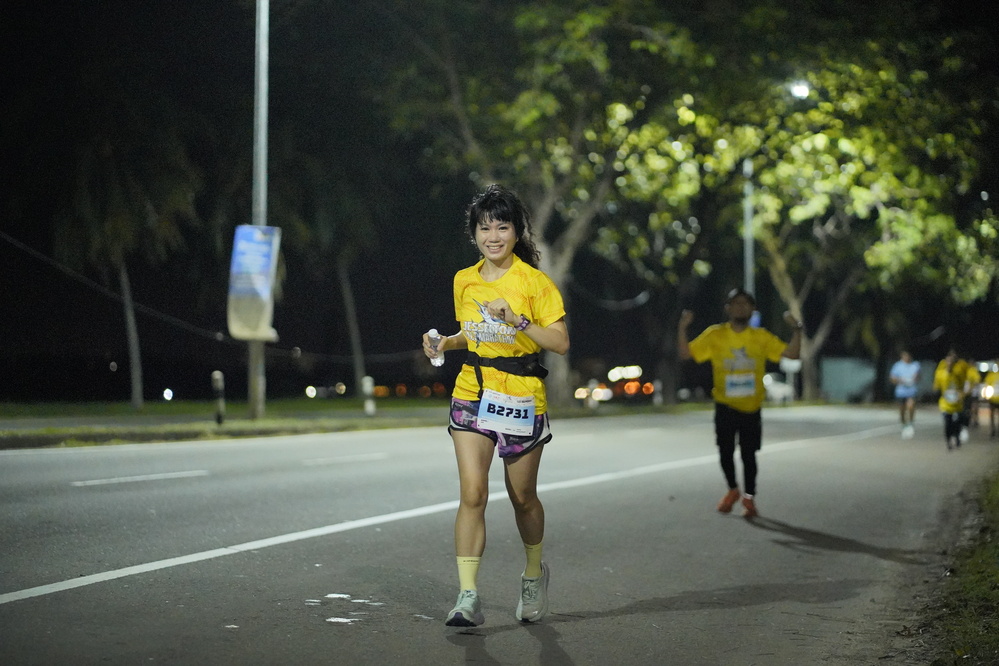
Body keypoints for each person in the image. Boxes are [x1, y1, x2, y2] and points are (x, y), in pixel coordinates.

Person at [422, 184, 569, 627]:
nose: (493, 236)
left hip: (520, 397)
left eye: (502, 227)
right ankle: (467, 596)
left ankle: (533, 573)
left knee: (522, 498)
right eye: (485, 228)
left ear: (517, 232)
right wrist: (444, 342)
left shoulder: (535, 282)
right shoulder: (463, 280)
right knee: (473, 493)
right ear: (474, 234)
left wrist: (517, 320)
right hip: (472, 391)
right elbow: (471, 334)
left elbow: (560, 342)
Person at [677, 288, 803, 518]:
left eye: (745, 304)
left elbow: (792, 355)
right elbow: (686, 354)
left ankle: (749, 497)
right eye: (736, 303)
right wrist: (683, 328)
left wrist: (797, 330)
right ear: (728, 309)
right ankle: (733, 489)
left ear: (752, 309)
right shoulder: (715, 335)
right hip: (724, 405)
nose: (740, 307)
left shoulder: (761, 337)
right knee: (725, 452)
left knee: (749, 455)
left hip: (751, 408)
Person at [932, 349, 970, 450]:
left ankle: (957, 437)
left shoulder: (959, 373)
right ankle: (948, 442)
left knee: (957, 422)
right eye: (948, 361)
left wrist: (961, 394)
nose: (949, 364)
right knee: (947, 423)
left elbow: (963, 386)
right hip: (945, 404)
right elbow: (936, 387)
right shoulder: (940, 374)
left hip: (957, 403)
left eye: (951, 362)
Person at [889, 350, 921, 439]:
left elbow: (918, 376)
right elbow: (892, 378)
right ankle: (903, 424)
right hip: (901, 391)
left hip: (911, 391)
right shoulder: (897, 366)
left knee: (911, 406)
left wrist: (915, 378)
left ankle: (910, 423)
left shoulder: (915, 365)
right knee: (902, 410)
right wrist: (900, 380)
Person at [984, 360, 999, 438]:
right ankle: (992, 429)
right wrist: (986, 395)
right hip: (993, 399)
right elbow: (987, 385)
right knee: (992, 415)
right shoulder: (991, 375)